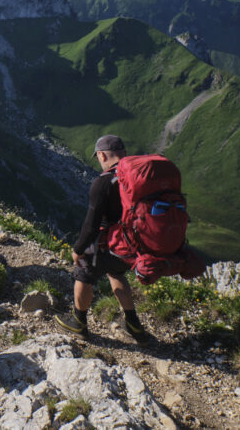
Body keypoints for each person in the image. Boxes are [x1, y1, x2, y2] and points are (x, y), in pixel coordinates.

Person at [54, 135, 150, 344]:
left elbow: (91, 224)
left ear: (102, 155)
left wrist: (78, 249)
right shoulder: (138, 177)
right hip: (132, 243)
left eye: (98, 157)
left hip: (109, 243)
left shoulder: (103, 183)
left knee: (83, 273)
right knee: (116, 273)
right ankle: (133, 324)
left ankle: (78, 322)